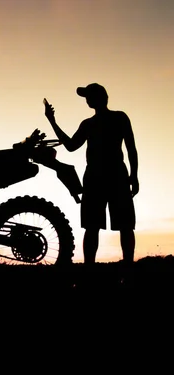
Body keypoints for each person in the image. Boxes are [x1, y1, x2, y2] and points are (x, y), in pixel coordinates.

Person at [43, 83, 139, 264]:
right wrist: (52, 121)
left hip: (110, 175)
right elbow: (71, 146)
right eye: (86, 97)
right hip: (103, 176)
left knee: (121, 226)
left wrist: (134, 175)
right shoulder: (91, 123)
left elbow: (131, 148)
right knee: (95, 227)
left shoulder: (117, 118)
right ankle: (93, 271)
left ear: (102, 98)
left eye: (90, 96)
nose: (87, 100)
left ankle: (125, 271)